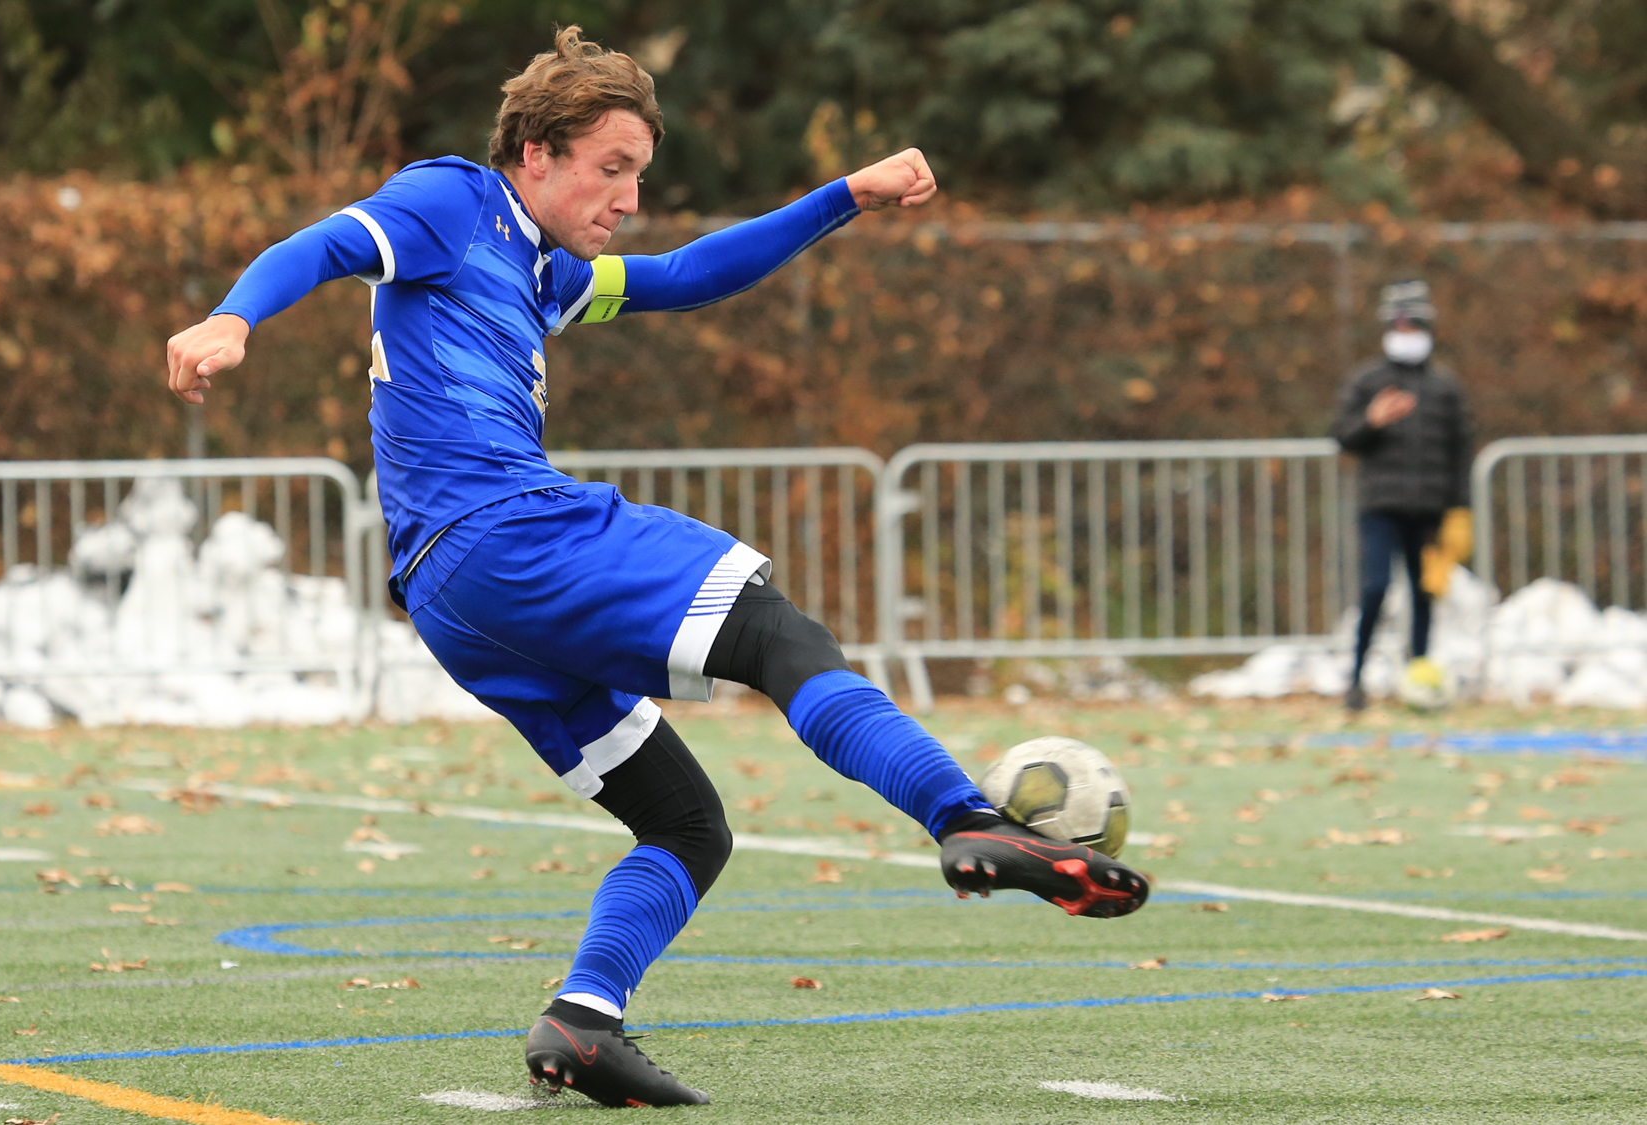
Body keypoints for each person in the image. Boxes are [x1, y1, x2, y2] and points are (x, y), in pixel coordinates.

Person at [165, 27, 1148, 1107]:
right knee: (779, 637)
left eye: (638, 173)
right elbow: (322, 246)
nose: (628, 196)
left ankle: (582, 1023)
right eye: (613, 167)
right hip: (511, 533)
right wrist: (232, 315)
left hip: (455, 600)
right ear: (534, 152)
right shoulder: (453, 200)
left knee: (686, 825)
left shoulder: (543, 271)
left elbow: (685, 275)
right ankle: (964, 819)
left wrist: (843, 198)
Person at [1329, 280, 1474, 712]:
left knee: (1424, 593)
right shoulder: (1368, 380)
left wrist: (1459, 510)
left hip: (1429, 511)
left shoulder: (1445, 386)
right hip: (1381, 508)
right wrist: (1372, 421)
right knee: (1375, 589)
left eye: (1413, 325)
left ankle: (1420, 677)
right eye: (1399, 324)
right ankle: (1355, 681)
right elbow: (1342, 436)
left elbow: (1460, 450)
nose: (1406, 332)